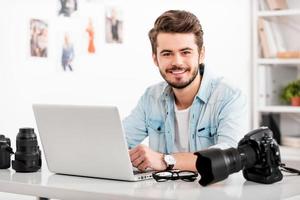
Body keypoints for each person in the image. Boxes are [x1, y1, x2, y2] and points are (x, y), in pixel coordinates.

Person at [123, 10, 247, 172]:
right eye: (167, 54)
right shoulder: (151, 97)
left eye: (185, 52)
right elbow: (118, 141)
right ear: (155, 58)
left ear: (201, 54)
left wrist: (165, 160)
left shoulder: (229, 96)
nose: (177, 62)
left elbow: (230, 156)